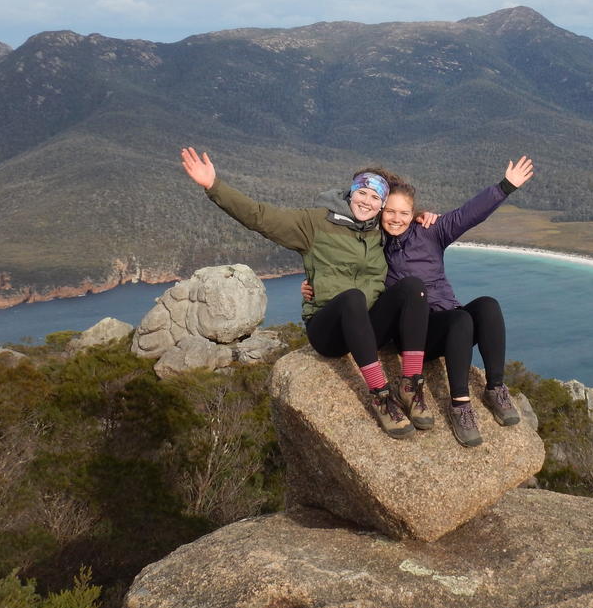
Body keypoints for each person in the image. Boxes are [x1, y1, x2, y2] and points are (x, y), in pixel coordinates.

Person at [180, 147, 431, 439]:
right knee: (352, 298)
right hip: (330, 329)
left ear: (381, 205)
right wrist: (214, 186)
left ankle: (411, 385)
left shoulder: (379, 229)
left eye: (376, 197)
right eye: (362, 193)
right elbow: (260, 217)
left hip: (367, 327)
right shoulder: (314, 223)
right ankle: (380, 395)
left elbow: (403, 218)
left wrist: (425, 217)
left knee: (414, 288)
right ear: (350, 193)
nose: (366, 201)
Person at [306, 156, 534, 446]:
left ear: (414, 212)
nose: (397, 219)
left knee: (488, 305)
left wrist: (504, 187)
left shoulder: (432, 231)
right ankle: (460, 405)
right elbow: (341, 264)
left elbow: (469, 214)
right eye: (390, 212)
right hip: (415, 333)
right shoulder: (374, 243)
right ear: (380, 211)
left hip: (449, 326)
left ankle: (496, 389)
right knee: (461, 318)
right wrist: (314, 285)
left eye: (404, 213)